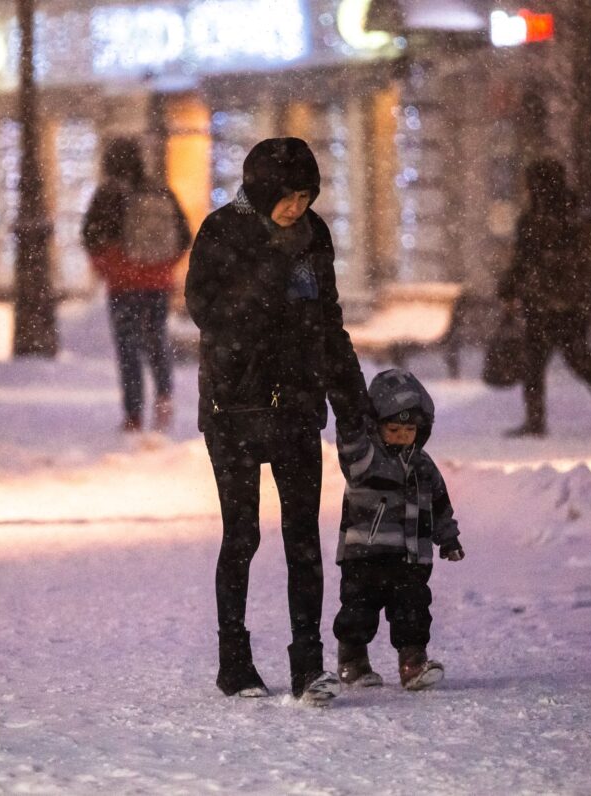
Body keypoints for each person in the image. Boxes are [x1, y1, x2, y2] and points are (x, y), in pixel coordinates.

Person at [185, 137, 370, 704]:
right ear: (263, 193)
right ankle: (234, 662)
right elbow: (208, 314)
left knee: (303, 539)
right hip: (234, 408)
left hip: (295, 405)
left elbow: (327, 322)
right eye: (287, 197)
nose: (297, 207)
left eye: (306, 195)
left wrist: (350, 399)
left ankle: (307, 665)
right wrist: (268, 270)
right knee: (241, 536)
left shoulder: (315, 237)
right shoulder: (223, 231)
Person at [333, 368, 464, 692]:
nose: (403, 435)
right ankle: (353, 660)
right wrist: (349, 406)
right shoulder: (363, 460)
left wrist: (448, 539)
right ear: (375, 425)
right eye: (394, 428)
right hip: (365, 555)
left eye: (410, 429)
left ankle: (413, 663)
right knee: (358, 611)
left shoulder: (423, 465)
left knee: (413, 611)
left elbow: (439, 504)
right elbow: (349, 438)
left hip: (411, 557)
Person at [498, 158, 591, 442]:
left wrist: (508, 290)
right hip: (573, 302)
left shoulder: (534, 219)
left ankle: (535, 420)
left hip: (541, 303)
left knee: (534, 362)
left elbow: (523, 259)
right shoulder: (576, 214)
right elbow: (590, 258)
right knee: (581, 360)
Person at [82, 138, 191, 432]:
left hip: (122, 284)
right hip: (157, 282)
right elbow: (184, 236)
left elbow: (89, 236)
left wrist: (109, 265)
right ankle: (165, 395)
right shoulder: (159, 189)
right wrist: (162, 265)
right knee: (156, 338)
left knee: (128, 347)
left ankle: (134, 414)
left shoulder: (107, 194)